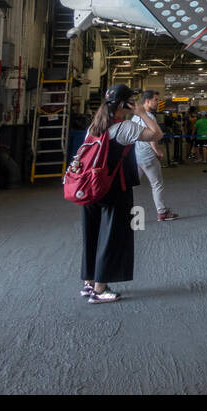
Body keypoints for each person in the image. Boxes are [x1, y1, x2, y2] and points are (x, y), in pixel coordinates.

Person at [81, 84, 162, 303]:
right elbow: (157, 133)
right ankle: (99, 289)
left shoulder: (95, 125)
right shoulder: (124, 128)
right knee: (112, 237)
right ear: (124, 104)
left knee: (93, 235)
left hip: (90, 187)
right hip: (114, 188)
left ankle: (89, 283)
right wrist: (142, 113)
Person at [132, 90, 178, 222]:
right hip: (147, 155)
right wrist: (157, 150)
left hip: (137, 155)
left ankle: (122, 209)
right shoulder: (149, 117)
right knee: (157, 184)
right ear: (147, 101)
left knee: (133, 184)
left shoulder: (135, 117)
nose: (158, 102)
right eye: (156, 100)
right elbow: (153, 136)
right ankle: (162, 212)